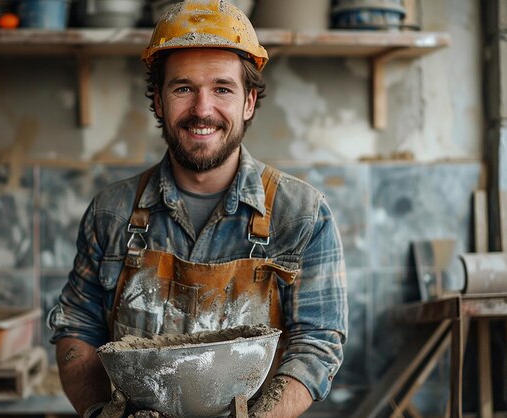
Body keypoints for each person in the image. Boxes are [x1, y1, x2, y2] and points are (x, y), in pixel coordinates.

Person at [48, 1, 348, 417]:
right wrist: (103, 414)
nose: (203, 110)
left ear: (248, 101)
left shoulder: (301, 214)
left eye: (222, 88)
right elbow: (76, 330)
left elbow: (316, 343)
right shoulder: (111, 214)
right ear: (158, 100)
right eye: (183, 88)